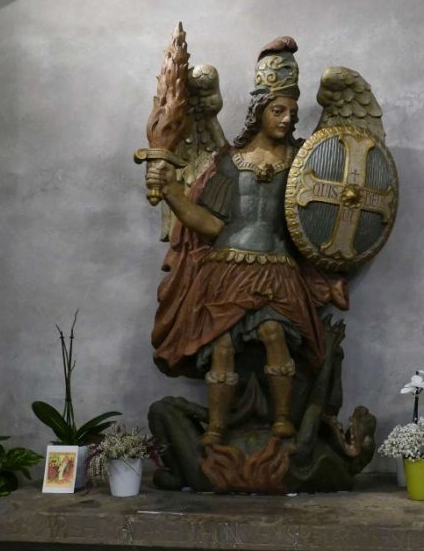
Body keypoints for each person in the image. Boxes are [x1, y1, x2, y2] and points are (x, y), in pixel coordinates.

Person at [145, 37, 347, 446]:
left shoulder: (304, 162)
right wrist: (172, 193)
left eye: (292, 113)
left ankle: (283, 423)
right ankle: (217, 429)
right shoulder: (228, 162)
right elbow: (210, 225)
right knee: (220, 345)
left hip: (278, 269)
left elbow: (327, 215)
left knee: (275, 334)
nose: (288, 119)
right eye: (278, 110)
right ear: (259, 112)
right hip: (226, 268)